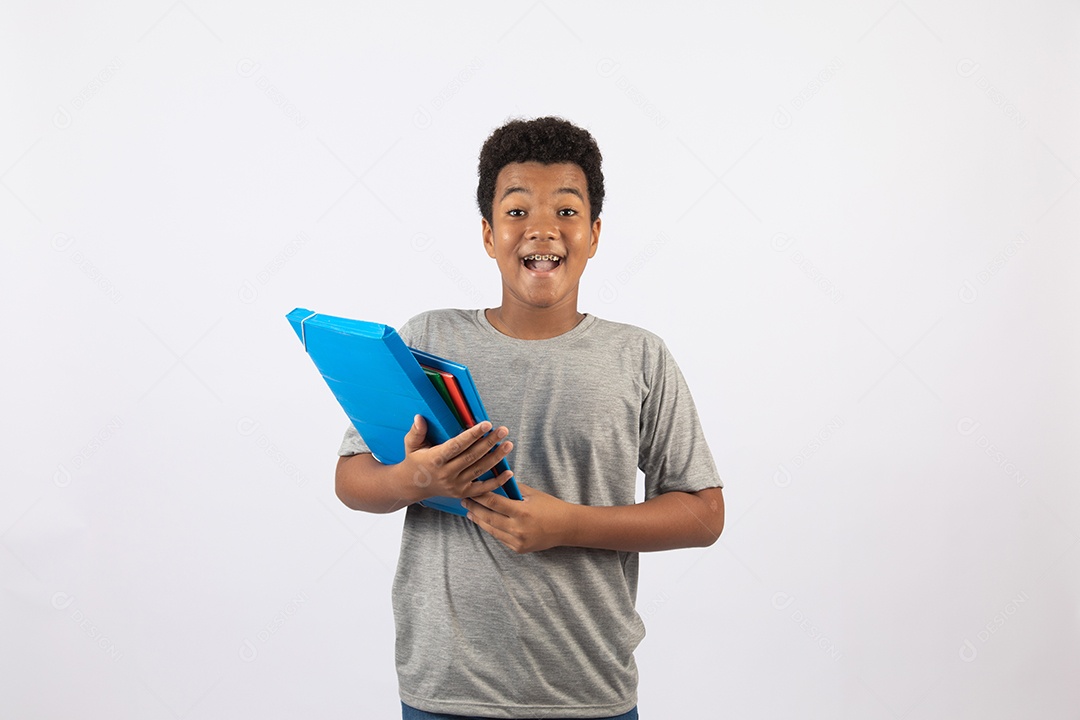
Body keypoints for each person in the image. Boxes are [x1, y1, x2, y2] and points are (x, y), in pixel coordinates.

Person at [335, 116, 724, 719]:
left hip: (588, 693)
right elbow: (352, 480)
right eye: (517, 212)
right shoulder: (425, 339)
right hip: (445, 691)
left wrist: (567, 523)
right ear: (489, 235)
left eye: (566, 212)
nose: (542, 228)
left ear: (594, 234)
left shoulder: (639, 355)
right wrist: (421, 480)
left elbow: (702, 513)